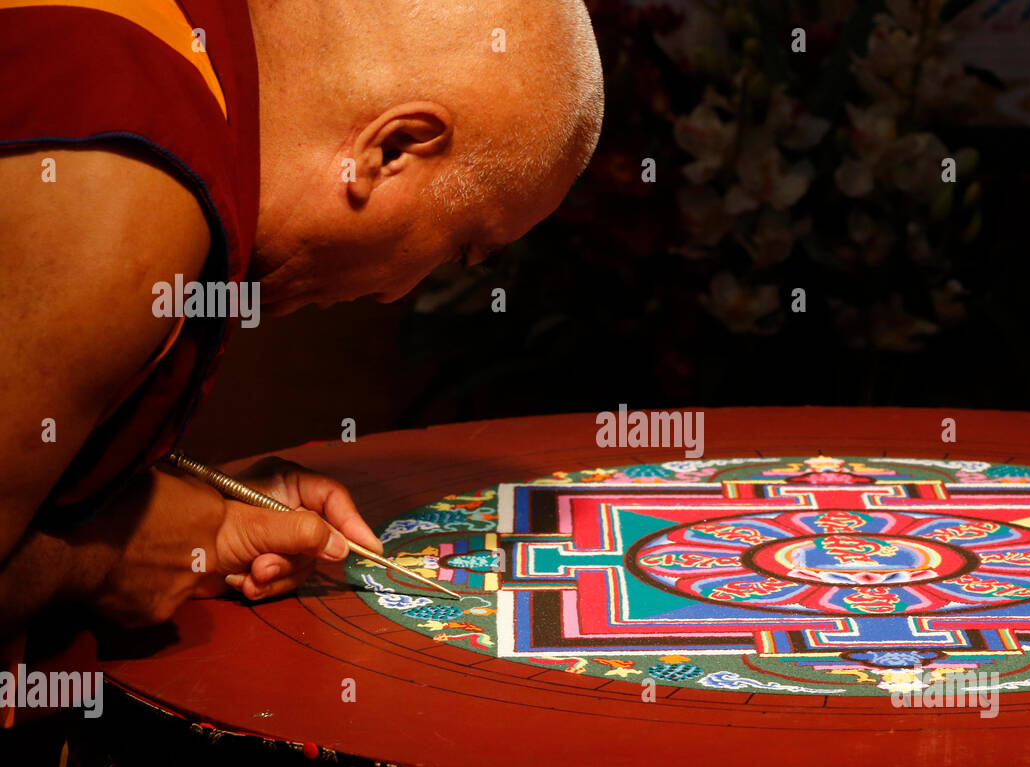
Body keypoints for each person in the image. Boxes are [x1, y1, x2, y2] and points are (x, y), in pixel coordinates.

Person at [0, 0, 604, 643]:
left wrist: (180, 506)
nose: (397, 293)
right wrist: (105, 557)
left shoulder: (164, 48)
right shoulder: (126, 197)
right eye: (457, 250)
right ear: (390, 149)